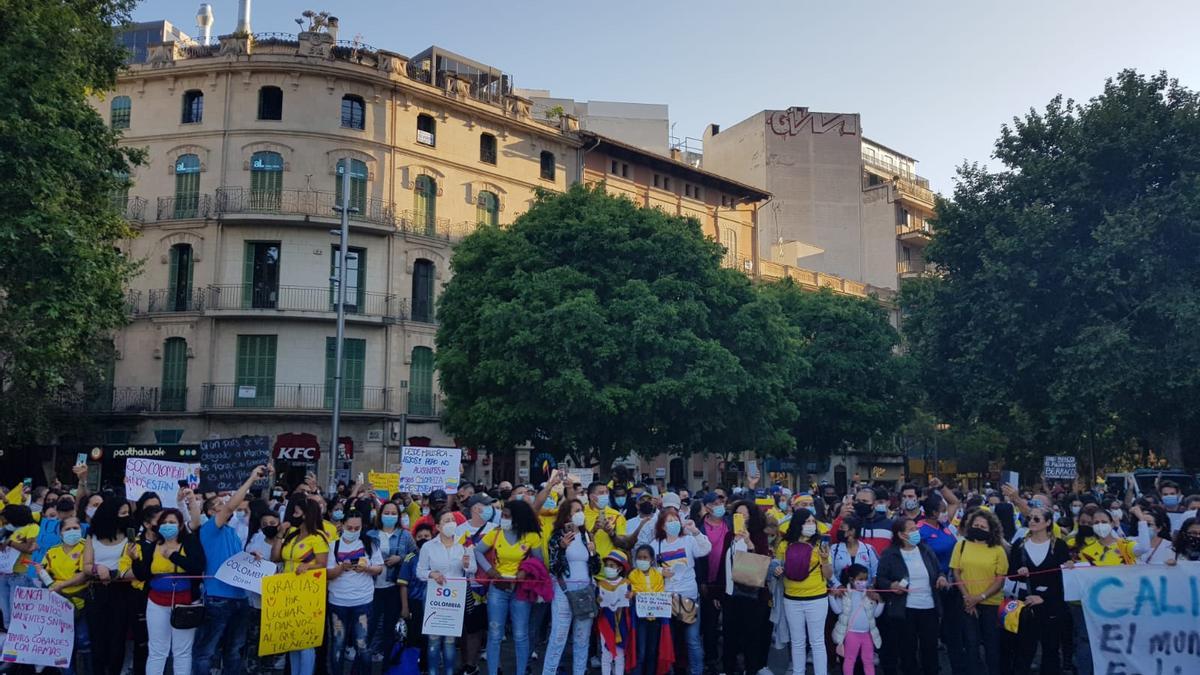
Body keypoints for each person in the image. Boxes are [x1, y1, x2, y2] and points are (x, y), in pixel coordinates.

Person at [192, 465, 267, 675]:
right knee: (206, 652)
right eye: (218, 504)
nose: (223, 504)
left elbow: (234, 559)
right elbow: (230, 508)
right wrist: (252, 478)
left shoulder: (232, 533)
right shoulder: (209, 529)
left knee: (234, 651)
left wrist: (251, 558)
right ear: (210, 512)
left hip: (239, 597)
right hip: (218, 598)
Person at [132, 507, 205, 675]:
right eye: (164, 522)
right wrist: (136, 560)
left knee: (182, 651)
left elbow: (197, 568)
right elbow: (143, 574)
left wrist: (173, 556)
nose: (167, 525)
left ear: (180, 526)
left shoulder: (190, 542)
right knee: (157, 650)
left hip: (185, 603)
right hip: (156, 602)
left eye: (172, 522)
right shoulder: (152, 546)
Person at [475, 498, 544, 675]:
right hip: (498, 588)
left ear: (518, 518)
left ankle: (521, 671)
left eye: (506, 516)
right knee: (495, 633)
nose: (503, 519)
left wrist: (525, 571)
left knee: (520, 635)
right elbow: (477, 550)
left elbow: (539, 562)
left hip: (520, 589)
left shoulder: (532, 536)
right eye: (503, 516)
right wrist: (490, 570)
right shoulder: (496, 533)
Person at [876, 517, 946, 675]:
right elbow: (881, 578)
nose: (917, 532)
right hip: (905, 610)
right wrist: (891, 585)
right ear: (901, 535)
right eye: (912, 530)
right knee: (907, 650)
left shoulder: (926, 550)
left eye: (916, 528)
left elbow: (938, 570)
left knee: (930, 649)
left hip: (929, 607)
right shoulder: (890, 554)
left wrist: (941, 578)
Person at [1008, 506, 1070, 675]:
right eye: (1030, 518)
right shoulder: (1019, 545)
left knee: (1051, 649)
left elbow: (1063, 579)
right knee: (1023, 649)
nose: (1032, 522)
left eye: (1037, 519)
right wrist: (1019, 573)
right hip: (1025, 603)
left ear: (1048, 522)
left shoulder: (1059, 546)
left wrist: (1044, 597)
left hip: (1051, 604)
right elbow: (1010, 574)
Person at [541, 497, 600, 675]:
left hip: (585, 591)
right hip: (564, 592)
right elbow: (554, 567)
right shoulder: (557, 537)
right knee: (558, 637)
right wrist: (561, 547)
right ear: (567, 515)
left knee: (582, 639)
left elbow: (596, 568)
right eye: (576, 510)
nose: (579, 513)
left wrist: (594, 553)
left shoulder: (587, 535)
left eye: (581, 510)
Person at [271, 498, 329, 675]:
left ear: (307, 513)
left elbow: (323, 563)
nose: (293, 513)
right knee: (292, 639)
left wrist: (308, 566)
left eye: (297, 510)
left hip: (307, 592)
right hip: (288, 590)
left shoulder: (318, 537)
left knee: (305, 641)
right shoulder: (292, 534)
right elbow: (276, 557)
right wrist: (280, 534)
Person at [652, 504, 711, 675]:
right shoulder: (656, 544)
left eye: (675, 520)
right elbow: (645, 566)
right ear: (662, 525)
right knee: (667, 639)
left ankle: (696, 671)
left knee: (692, 639)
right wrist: (660, 571)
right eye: (669, 521)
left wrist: (695, 531)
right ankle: (668, 670)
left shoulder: (688, 540)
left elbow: (706, 549)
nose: (673, 524)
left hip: (689, 596)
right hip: (666, 598)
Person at [950, 508, 1009, 675]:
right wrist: (967, 597)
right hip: (967, 603)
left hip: (991, 604)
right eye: (976, 525)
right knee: (971, 643)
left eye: (983, 527)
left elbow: (1000, 579)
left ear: (991, 529)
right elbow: (956, 572)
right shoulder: (960, 545)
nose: (978, 528)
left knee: (992, 645)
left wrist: (980, 597)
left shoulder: (998, 550)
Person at [83, 497, 136, 675]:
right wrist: (98, 568)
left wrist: (115, 573)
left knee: (117, 639)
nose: (126, 516)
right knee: (97, 640)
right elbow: (86, 565)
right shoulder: (93, 535)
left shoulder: (130, 534)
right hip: (97, 589)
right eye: (122, 513)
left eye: (128, 513)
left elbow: (133, 565)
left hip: (121, 590)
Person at [775, 507, 832, 675]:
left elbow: (828, 575)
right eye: (807, 522)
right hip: (791, 599)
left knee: (817, 641)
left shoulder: (821, 544)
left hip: (817, 598)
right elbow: (778, 566)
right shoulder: (784, 544)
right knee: (797, 641)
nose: (811, 525)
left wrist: (824, 559)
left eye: (813, 521)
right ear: (798, 524)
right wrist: (777, 570)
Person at [720, 499, 773, 675]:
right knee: (730, 636)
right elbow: (723, 563)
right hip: (730, 594)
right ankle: (729, 669)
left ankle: (751, 669)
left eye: (745, 514)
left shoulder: (758, 535)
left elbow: (762, 560)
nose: (741, 517)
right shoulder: (729, 536)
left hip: (751, 595)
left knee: (751, 636)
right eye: (738, 514)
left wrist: (750, 543)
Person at [418, 511, 475, 675]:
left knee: (450, 641)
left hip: (455, 597)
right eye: (446, 521)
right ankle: (433, 672)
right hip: (434, 596)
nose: (451, 523)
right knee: (434, 640)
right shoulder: (428, 546)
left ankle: (450, 672)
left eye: (452, 520)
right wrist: (432, 574)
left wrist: (466, 564)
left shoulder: (463, 544)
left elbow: (472, 569)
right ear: (437, 526)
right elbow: (420, 571)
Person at [327, 512, 384, 675]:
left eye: (356, 528)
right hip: (338, 601)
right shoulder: (333, 546)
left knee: (362, 644)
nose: (352, 531)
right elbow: (328, 574)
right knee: (338, 643)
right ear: (342, 525)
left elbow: (379, 568)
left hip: (363, 601)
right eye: (349, 528)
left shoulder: (369, 544)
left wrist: (366, 568)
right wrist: (341, 568)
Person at [916, 493, 966, 673]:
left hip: (951, 584)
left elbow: (955, 501)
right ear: (933, 512)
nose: (946, 513)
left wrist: (940, 488)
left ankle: (957, 667)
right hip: (932, 586)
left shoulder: (944, 525)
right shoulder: (919, 530)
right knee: (929, 632)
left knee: (953, 629)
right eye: (943, 511)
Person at [366, 499, 417, 662]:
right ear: (380, 515)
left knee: (389, 629)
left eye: (393, 513)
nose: (390, 516)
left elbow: (415, 556)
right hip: (371, 587)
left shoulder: (405, 535)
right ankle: (363, 665)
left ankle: (387, 665)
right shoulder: (370, 535)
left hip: (393, 587)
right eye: (386, 513)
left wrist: (400, 558)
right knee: (369, 627)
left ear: (399, 516)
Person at [42, 516, 91, 675]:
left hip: (82, 602)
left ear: (81, 529)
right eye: (67, 529)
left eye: (75, 528)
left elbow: (85, 574)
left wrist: (62, 584)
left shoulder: (86, 547)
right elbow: (46, 575)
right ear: (60, 532)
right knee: (62, 645)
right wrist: (44, 576)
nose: (72, 532)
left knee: (84, 642)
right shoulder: (52, 552)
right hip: (59, 606)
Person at [457, 494, 497, 675]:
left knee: (492, 626)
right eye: (486, 505)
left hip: (492, 584)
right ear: (475, 508)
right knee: (470, 627)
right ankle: (469, 664)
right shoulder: (459, 530)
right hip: (467, 586)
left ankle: (495, 665)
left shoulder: (495, 529)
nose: (490, 508)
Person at [694, 491, 729, 675]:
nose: (719, 506)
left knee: (731, 623)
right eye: (715, 503)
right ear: (707, 507)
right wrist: (701, 582)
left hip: (729, 580)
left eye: (721, 502)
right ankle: (711, 659)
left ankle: (730, 659)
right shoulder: (699, 528)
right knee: (710, 624)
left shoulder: (730, 523)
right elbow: (697, 560)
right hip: (708, 581)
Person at [829, 563, 882, 675]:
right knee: (850, 660)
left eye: (866, 579)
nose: (864, 582)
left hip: (867, 634)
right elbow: (837, 610)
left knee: (868, 661)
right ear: (852, 580)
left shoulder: (869, 594)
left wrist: (881, 601)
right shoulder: (845, 594)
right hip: (851, 634)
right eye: (860, 579)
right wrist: (831, 596)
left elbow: (876, 614)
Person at [630, 544, 671, 675]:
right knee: (640, 652)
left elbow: (660, 592)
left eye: (645, 557)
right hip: (640, 620)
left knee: (652, 652)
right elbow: (634, 591)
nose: (642, 560)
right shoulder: (632, 575)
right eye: (639, 557)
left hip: (655, 620)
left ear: (652, 560)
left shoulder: (657, 575)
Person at [596, 550, 635, 675]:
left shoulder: (626, 584)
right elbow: (598, 604)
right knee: (606, 654)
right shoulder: (600, 584)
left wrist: (631, 597)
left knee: (619, 655)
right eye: (606, 565)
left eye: (612, 566)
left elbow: (630, 606)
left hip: (621, 622)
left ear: (619, 568)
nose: (608, 568)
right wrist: (598, 600)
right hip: (606, 622)